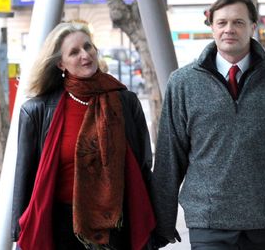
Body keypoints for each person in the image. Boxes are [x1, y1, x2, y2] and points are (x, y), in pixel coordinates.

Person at [151, 0, 265, 250]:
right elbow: (169, 156)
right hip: (208, 221)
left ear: (253, 26)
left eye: (238, 22)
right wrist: (162, 223)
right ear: (211, 27)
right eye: (222, 23)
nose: (229, 29)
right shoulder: (182, 82)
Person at [11, 22, 157, 250]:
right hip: (60, 226)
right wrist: (19, 229)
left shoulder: (125, 102)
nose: (85, 55)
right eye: (74, 52)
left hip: (117, 225)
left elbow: (143, 164)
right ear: (61, 63)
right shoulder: (37, 111)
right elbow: (25, 175)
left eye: (88, 47)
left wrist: (155, 220)